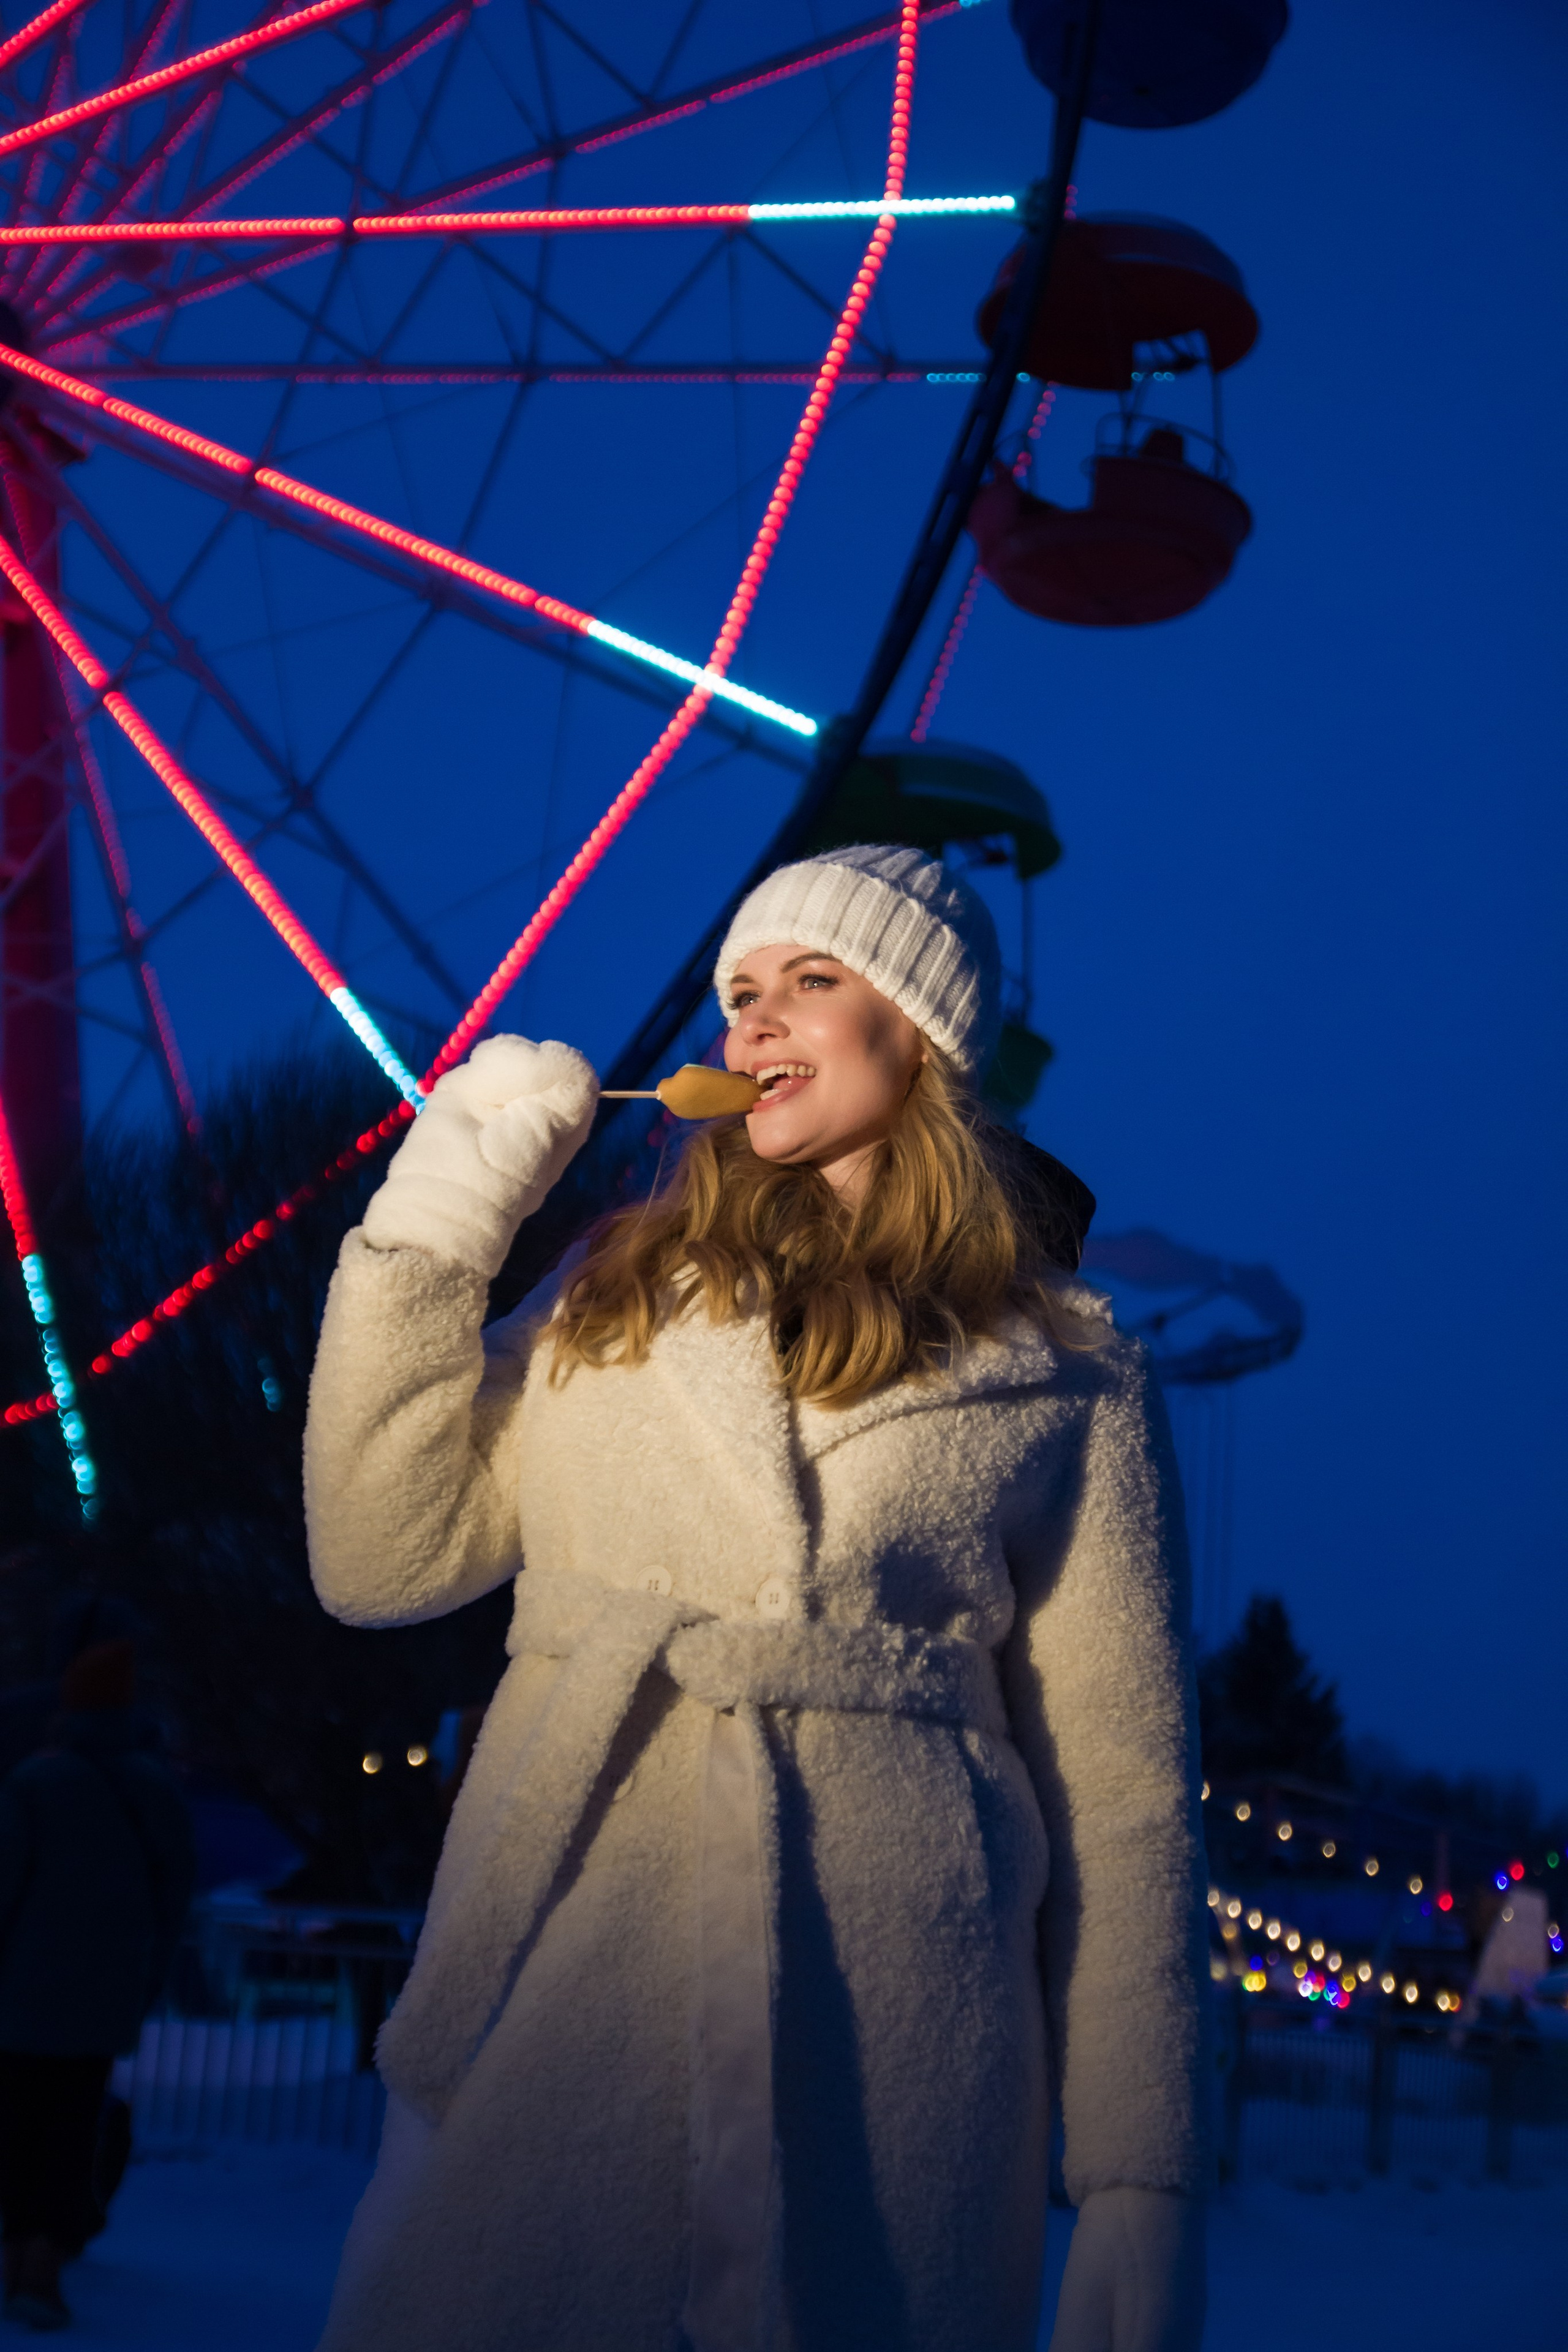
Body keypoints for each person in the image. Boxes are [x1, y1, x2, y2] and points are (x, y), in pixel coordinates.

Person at [305, 843, 1210, 2352]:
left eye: (809, 980)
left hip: (900, 1999)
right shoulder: (608, 1289)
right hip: (570, 1950)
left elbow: (1120, 1795)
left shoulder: (1069, 1359)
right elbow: (379, 1556)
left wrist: (1136, 2174)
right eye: (736, 992)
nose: (753, 1024)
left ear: (913, 1029)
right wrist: (437, 1221)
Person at [0, 1637, 194, 2332]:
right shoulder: (155, 1789)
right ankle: (45, 2263)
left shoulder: (34, 1784)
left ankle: (17, 2252)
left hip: (21, 1995)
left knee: (19, 2124)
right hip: (105, 1997)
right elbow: (173, 1902)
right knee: (73, 2129)